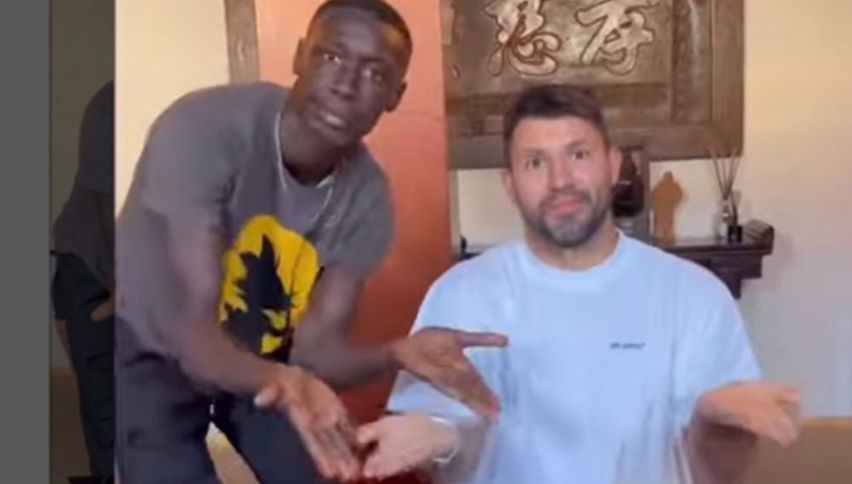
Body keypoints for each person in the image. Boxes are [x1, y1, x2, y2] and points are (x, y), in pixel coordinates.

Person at [115, 1, 506, 483]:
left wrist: (395, 354)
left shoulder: (367, 198)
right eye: (331, 57)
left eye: (375, 74)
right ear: (300, 56)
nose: (346, 86)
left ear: (395, 95)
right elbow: (192, 333)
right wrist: (284, 378)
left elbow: (315, 355)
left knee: (320, 472)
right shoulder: (203, 131)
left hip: (259, 356)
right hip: (157, 341)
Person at [356, 85, 802, 484]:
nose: (561, 181)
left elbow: (716, 475)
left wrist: (715, 427)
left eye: (579, 155)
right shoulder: (460, 294)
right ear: (510, 185)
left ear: (612, 165)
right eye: (536, 162)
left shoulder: (694, 296)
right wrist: (442, 436)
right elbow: (444, 459)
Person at [51, 80, 115, 482]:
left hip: (156, 264)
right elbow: (108, 205)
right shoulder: (108, 108)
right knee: (104, 401)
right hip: (92, 262)